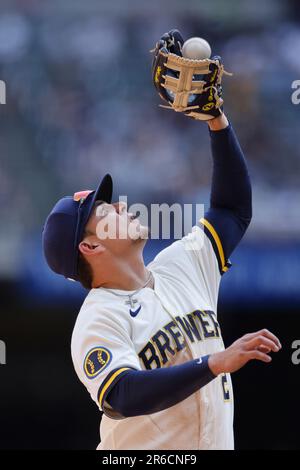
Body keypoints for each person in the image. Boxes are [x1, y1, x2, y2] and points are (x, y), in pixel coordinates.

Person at [42, 31, 281, 450]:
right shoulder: (98, 318)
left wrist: (216, 120)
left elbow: (231, 211)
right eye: (105, 212)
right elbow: (121, 395)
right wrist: (212, 363)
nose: (120, 208)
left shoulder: (179, 265)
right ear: (90, 246)